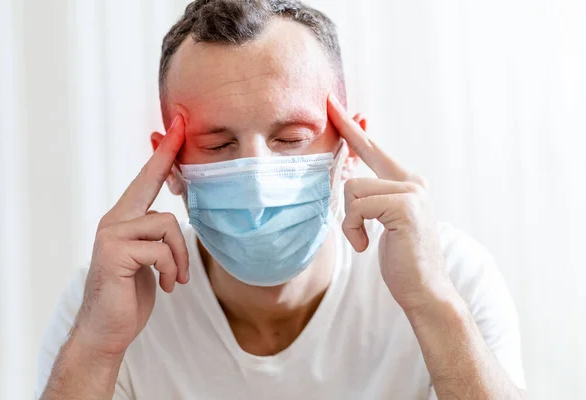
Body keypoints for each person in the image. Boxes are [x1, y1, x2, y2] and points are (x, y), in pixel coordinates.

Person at [37, 1, 527, 399]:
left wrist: (432, 305)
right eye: (217, 144)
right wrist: (97, 349)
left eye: (291, 138)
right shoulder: (104, 303)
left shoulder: (452, 277)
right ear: (170, 167)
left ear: (348, 147)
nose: (257, 182)